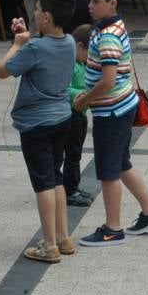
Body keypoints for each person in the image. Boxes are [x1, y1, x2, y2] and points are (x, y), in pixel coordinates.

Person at [69, 0, 148, 247]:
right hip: (121, 106)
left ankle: (113, 228)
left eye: (96, 1)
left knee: (108, 171)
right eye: (89, 0)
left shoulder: (108, 35)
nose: (90, 6)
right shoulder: (111, 25)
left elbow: (108, 80)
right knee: (121, 163)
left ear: (112, 3)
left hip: (110, 111)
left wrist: (85, 99)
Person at [0, 0, 77, 263]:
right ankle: (63, 237)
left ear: (47, 17)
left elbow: (2, 71)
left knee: (42, 182)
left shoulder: (35, 48)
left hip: (36, 123)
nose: (35, 12)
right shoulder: (68, 42)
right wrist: (25, 41)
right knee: (56, 176)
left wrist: (16, 45)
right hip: (61, 117)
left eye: (38, 9)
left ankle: (49, 244)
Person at [64, 25, 93, 208]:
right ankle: (69, 190)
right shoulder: (69, 65)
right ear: (80, 46)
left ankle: (74, 185)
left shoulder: (81, 63)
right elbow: (62, 88)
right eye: (90, 53)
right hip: (72, 114)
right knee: (72, 154)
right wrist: (80, 94)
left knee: (76, 153)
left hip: (81, 114)